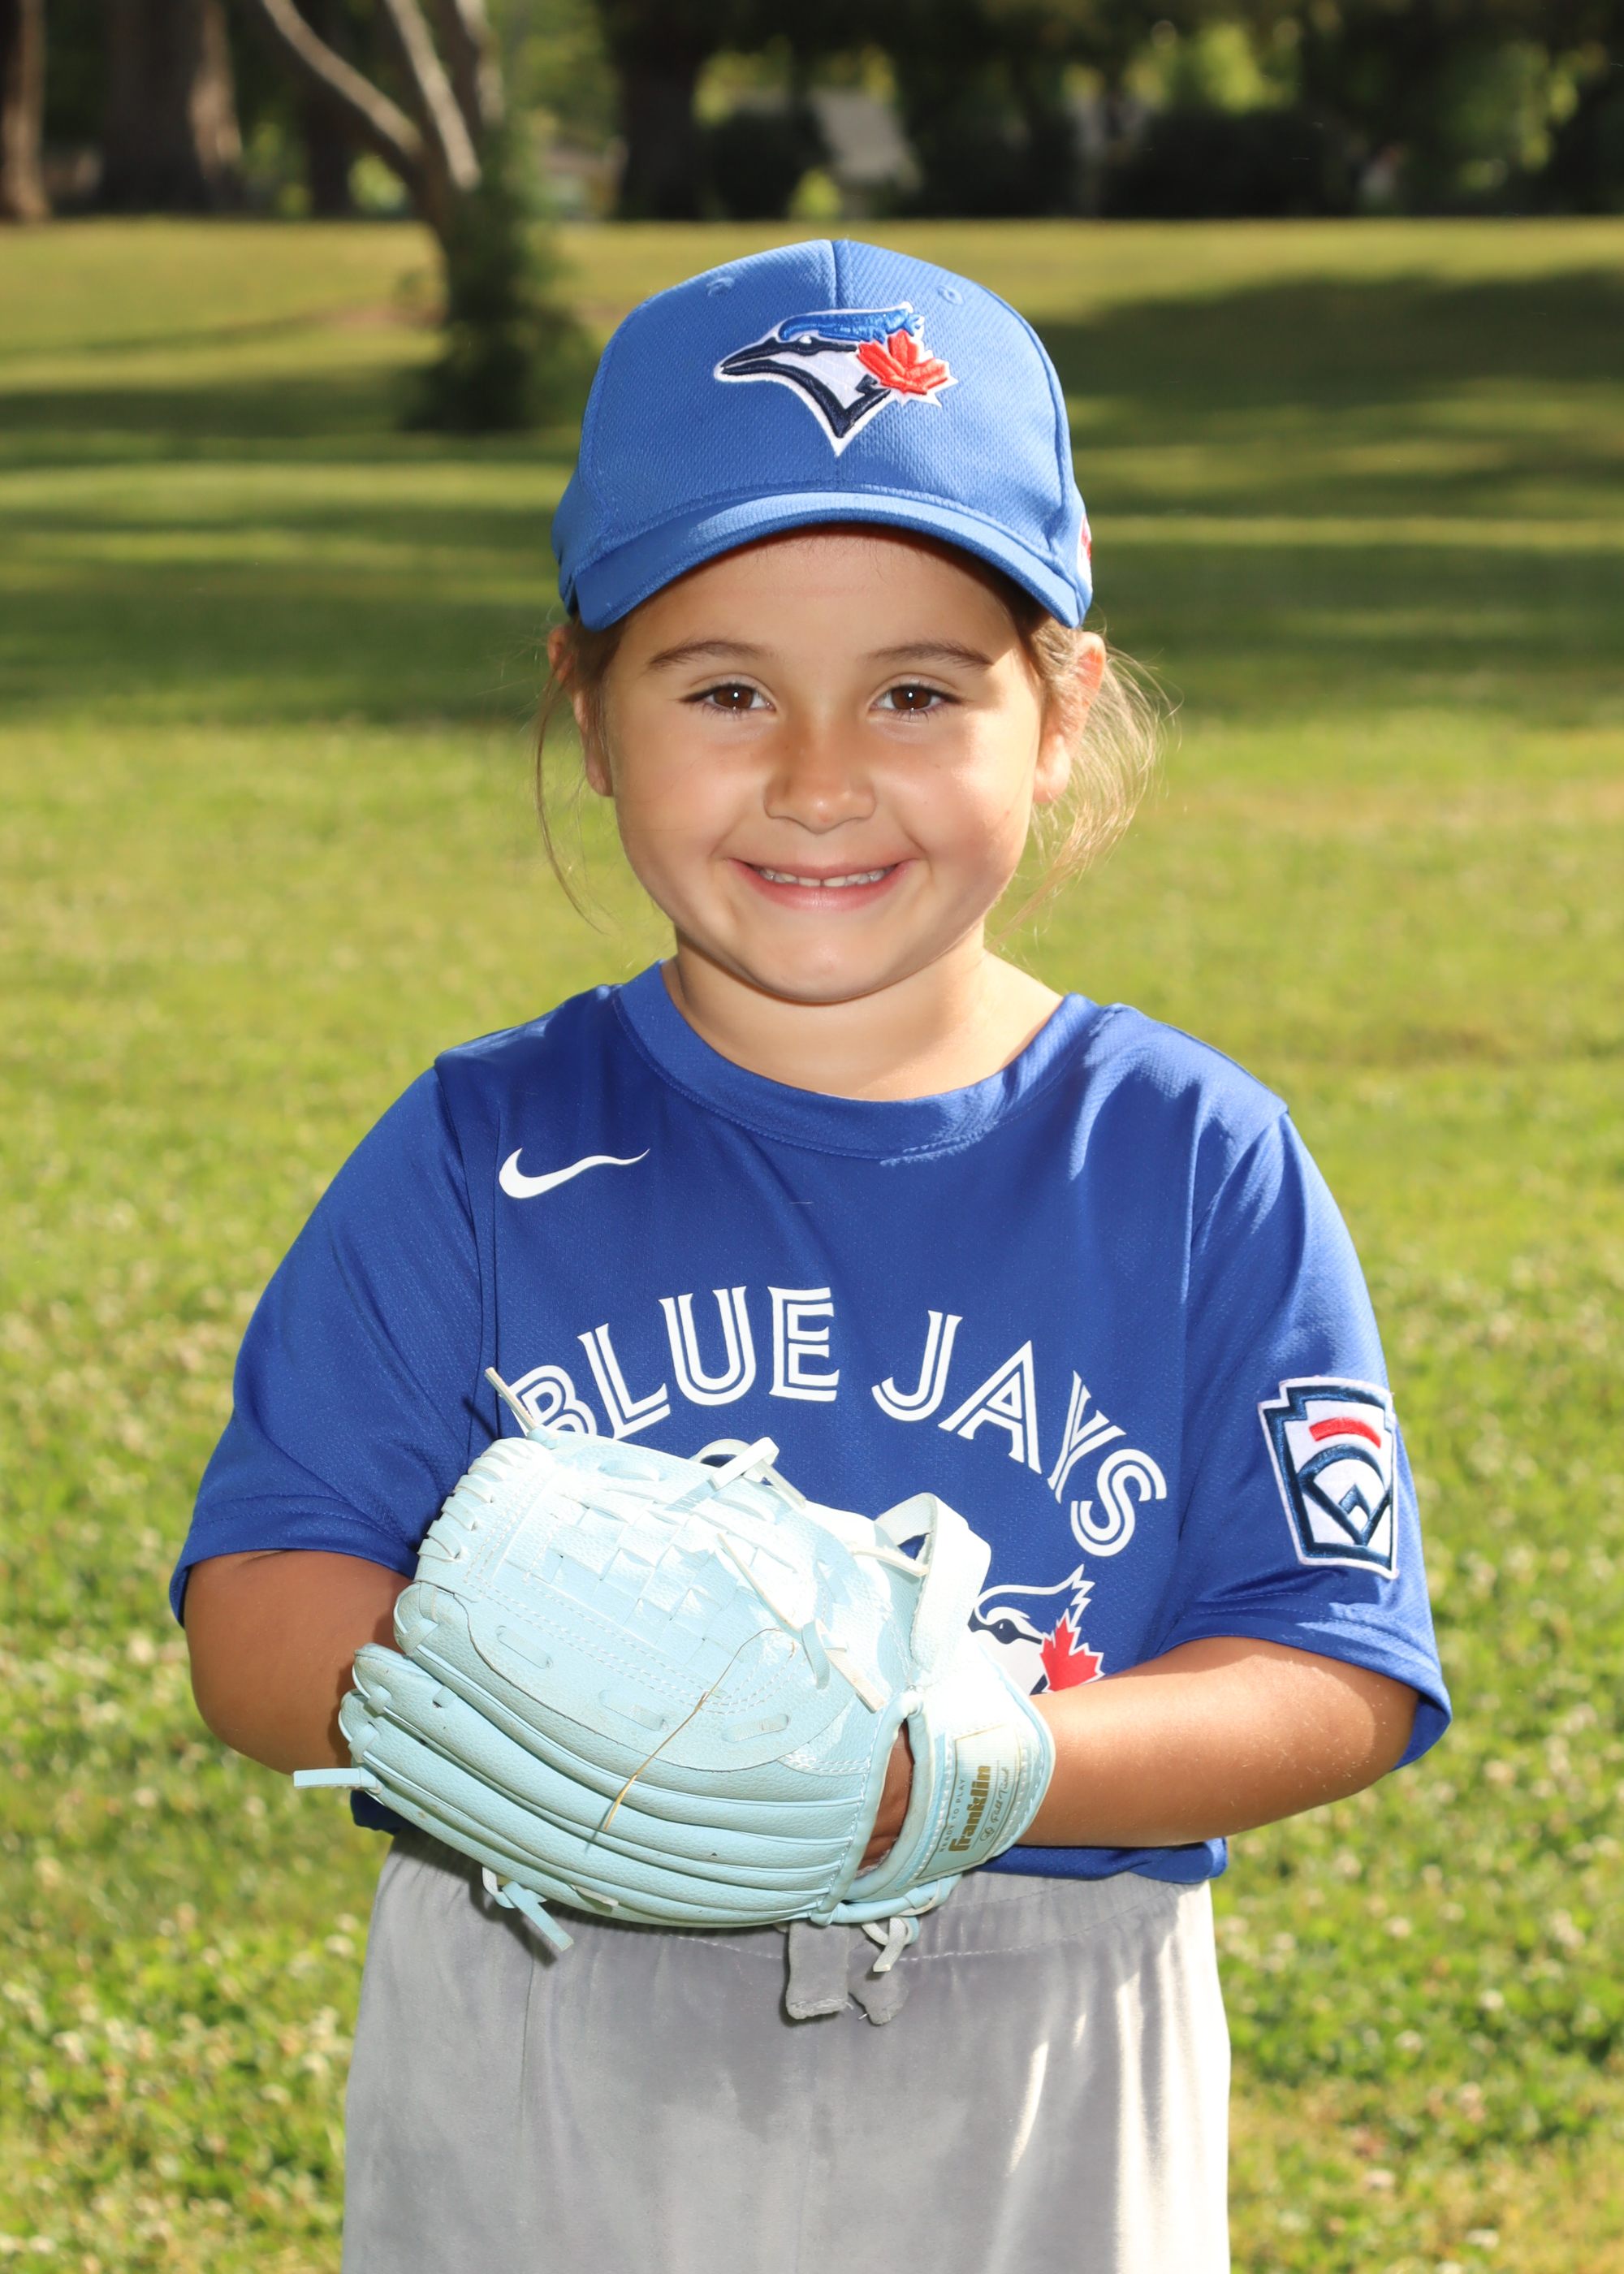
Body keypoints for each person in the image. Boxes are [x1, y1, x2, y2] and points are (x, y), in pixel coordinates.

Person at [174, 239, 1449, 2273]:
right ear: (593, 711)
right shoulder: (480, 1151)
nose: (819, 775)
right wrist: (540, 1714)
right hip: (556, 2002)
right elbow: (261, 1599)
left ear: (1059, 712)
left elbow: (1329, 1666)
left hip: (1040, 2045)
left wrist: (957, 1766)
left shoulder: (1189, 1159)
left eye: (917, 691)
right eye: (727, 688)